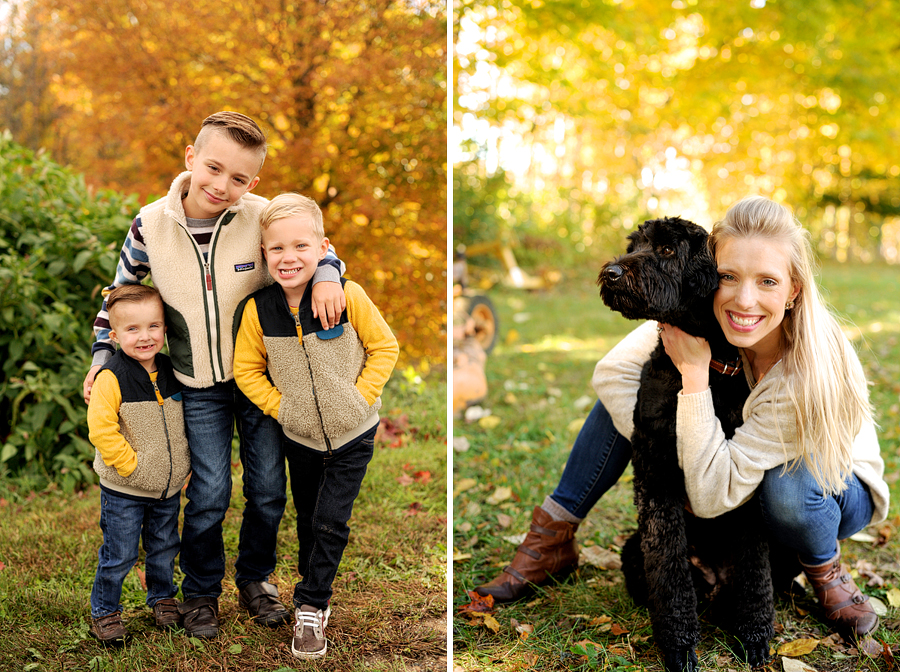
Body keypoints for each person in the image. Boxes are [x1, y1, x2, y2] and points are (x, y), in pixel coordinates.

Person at [476, 196, 889, 638]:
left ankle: (825, 571)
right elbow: (611, 374)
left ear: (792, 290)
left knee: (784, 489)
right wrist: (655, 438)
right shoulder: (707, 309)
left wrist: (693, 376)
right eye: (730, 276)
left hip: (830, 490)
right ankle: (552, 536)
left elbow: (715, 493)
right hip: (731, 468)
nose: (745, 299)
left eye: (767, 281)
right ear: (710, 276)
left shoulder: (806, 367)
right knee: (643, 395)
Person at [82, 111, 347, 639]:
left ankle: (256, 579)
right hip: (194, 385)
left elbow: (317, 244)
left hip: (262, 379)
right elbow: (120, 294)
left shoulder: (261, 216)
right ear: (190, 158)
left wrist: (327, 276)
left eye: (239, 178)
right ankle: (201, 591)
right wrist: (99, 357)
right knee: (206, 492)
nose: (222, 186)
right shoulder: (150, 224)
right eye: (214, 168)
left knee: (269, 488)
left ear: (254, 182)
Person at [233, 193, 399, 659]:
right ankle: (314, 580)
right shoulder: (258, 310)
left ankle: (311, 605)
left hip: (354, 433)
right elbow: (247, 371)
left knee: (331, 519)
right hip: (299, 436)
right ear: (264, 255)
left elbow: (384, 348)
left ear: (323, 247)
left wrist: (358, 399)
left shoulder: (347, 295)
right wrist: (284, 410)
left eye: (301, 247)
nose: (289, 258)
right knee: (309, 517)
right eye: (277, 249)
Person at [87, 285, 190, 644]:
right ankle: (105, 612)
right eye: (132, 330)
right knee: (120, 553)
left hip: (167, 487)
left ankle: (162, 598)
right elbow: (102, 431)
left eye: (153, 326)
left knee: (164, 547)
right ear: (114, 336)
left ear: (164, 328)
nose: (145, 337)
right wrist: (132, 467)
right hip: (125, 488)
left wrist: (182, 464)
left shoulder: (172, 369)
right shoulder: (110, 377)